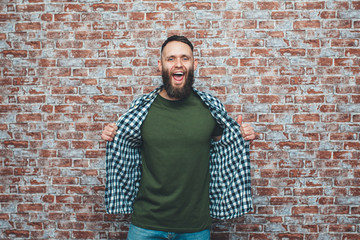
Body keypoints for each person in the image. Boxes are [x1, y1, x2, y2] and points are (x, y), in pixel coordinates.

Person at [101, 35, 255, 240]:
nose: (178, 64)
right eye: (171, 58)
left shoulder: (211, 108)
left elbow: (226, 147)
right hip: (146, 224)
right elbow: (124, 143)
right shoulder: (141, 110)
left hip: (195, 227)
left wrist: (242, 135)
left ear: (194, 64)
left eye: (185, 58)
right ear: (160, 65)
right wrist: (111, 134)